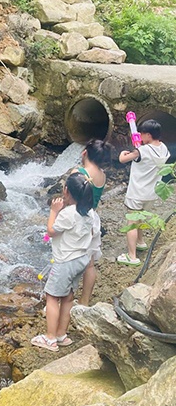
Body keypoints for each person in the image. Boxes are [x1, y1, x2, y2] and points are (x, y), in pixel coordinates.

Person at [32, 173, 99, 352]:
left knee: (52, 297)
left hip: (65, 262)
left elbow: (51, 231)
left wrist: (54, 211)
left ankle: (50, 338)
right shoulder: (90, 212)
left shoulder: (68, 213)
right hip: (81, 260)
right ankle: (61, 334)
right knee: (68, 297)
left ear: (66, 191)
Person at [118, 119, 169, 266]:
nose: (139, 136)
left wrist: (123, 153)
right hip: (151, 194)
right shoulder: (164, 148)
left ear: (148, 135)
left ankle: (132, 256)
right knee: (141, 217)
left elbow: (123, 159)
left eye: (141, 134)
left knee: (132, 223)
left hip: (137, 193)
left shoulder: (142, 150)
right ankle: (140, 242)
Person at [72, 139, 112, 306]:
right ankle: (85, 300)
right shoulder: (102, 175)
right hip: (93, 220)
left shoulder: (79, 172)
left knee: (70, 261)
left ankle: (64, 299)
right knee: (89, 265)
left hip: (77, 219)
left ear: (85, 153)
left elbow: (69, 199)